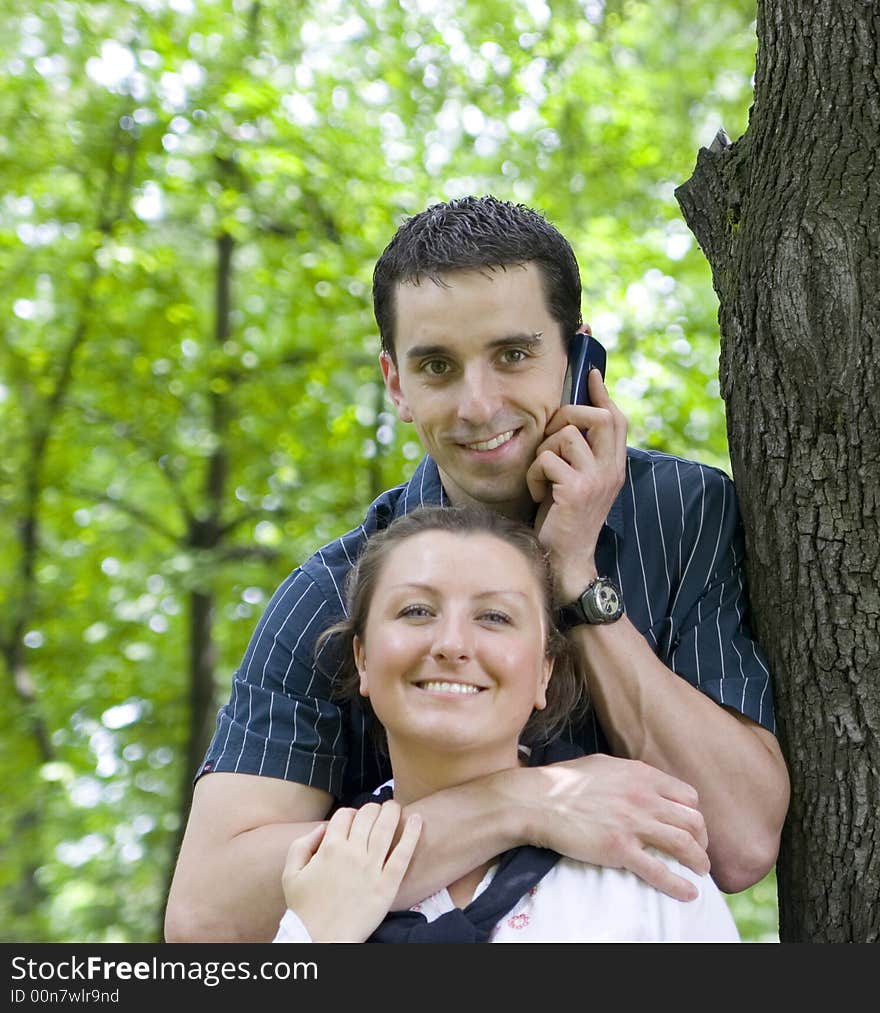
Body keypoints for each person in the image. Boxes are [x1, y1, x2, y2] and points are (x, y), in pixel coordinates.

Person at [165, 195, 789, 943]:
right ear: (396, 382)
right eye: (437, 366)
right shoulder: (333, 590)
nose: (478, 404)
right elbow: (208, 915)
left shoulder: (685, 516)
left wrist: (574, 576)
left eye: (514, 354)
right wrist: (523, 802)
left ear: (578, 358)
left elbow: (741, 839)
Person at [272, 506, 740, 942]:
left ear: (544, 672)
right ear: (363, 659)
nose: (452, 644)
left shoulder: (646, 866)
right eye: (416, 611)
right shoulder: (318, 887)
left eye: (494, 617)